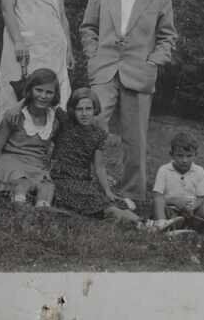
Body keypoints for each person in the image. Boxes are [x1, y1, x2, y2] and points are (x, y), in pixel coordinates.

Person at [80, 0, 176, 206]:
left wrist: (155, 60)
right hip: (105, 69)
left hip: (139, 72)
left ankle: (131, 194)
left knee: (135, 139)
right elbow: (88, 27)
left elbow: (168, 36)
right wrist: (93, 55)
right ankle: (82, 181)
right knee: (92, 123)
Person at [50, 88, 141, 224]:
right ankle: (141, 223)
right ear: (72, 110)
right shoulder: (65, 122)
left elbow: (99, 167)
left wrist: (107, 190)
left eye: (88, 109)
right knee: (96, 203)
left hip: (83, 179)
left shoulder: (98, 135)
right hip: (61, 178)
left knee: (106, 199)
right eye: (79, 109)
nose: (84, 114)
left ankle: (145, 222)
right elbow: (48, 101)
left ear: (95, 109)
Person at [0, 68, 62, 207]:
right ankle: (18, 205)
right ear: (30, 90)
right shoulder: (15, 115)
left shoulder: (54, 119)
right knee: (22, 181)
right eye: (39, 90)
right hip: (11, 160)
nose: (43, 96)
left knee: (47, 187)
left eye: (49, 92)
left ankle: (43, 210)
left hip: (36, 164)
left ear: (55, 95)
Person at [151, 130, 204, 239]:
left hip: (193, 216)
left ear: (195, 155)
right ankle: (162, 225)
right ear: (171, 155)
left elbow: (201, 198)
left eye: (189, 156)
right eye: (180, 155)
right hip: (171, 214)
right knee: (158, 199)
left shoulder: (199, 171)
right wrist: (176, 202)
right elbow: (157, 196)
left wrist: (192, 207)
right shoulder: (164, 170)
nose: (184, 160)